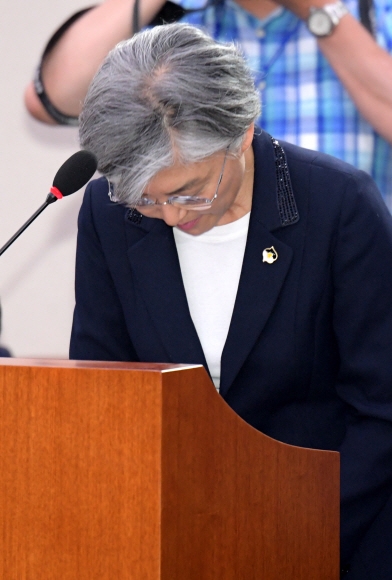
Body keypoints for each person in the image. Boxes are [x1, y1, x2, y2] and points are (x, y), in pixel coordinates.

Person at [70, 22, 392, 578]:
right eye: (147, 198)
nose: (171, 216)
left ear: (241, 134)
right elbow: (105, 399)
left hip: (329, 535)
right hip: (171, 535)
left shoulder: (339, 205)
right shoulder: (109, 213)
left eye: (189, 191)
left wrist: (285, 527)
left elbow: (381, 409)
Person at [24, 0, 392, 210]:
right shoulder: (178, 21)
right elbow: (52, 98)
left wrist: (319, 11)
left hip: (347, 280)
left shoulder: (372, 16)